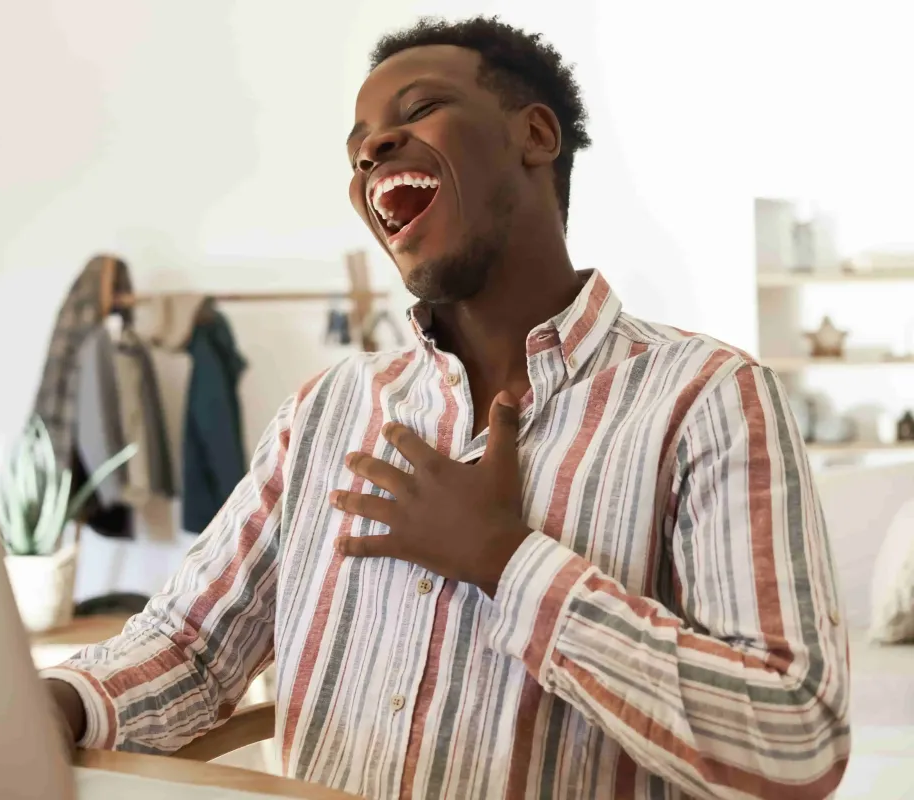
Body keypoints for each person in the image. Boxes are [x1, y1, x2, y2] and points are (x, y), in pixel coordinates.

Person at [43, 16, 850, 799]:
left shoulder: (707, 396)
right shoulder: (327, 412)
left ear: (536, 136)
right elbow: (191, 649)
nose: (371, 148)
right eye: (357, 143)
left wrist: (507, 562)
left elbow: (795, 742)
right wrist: (55, 702)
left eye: (420, 109)